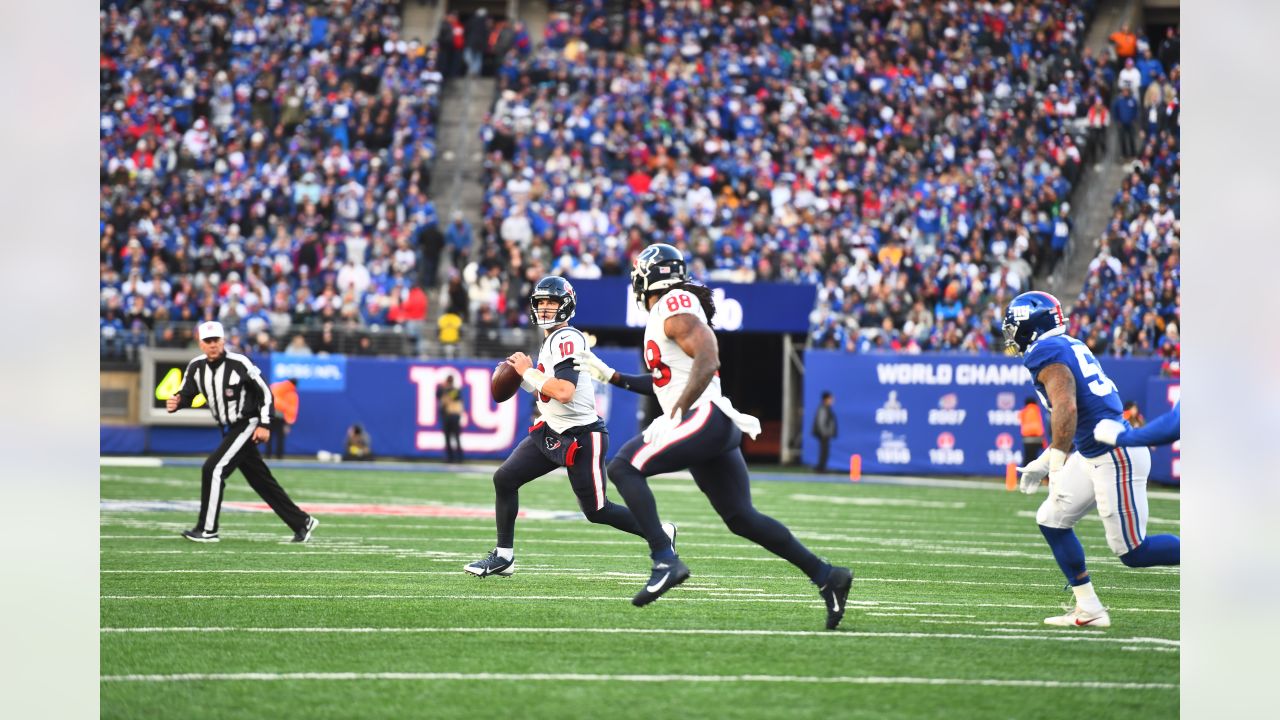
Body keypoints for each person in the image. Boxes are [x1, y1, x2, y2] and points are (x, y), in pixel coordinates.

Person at [573, 244, 853, 629]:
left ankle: (664, 558)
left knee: (623, 467)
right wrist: (610, 375)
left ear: (649, 278)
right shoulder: (669, 311)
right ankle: (828, 576)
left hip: (703, 417)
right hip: (714, 422)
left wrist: (683, 407)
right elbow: (664, 381)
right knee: (741, 517)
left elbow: (709, 354)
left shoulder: (672, 304)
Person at [464, 276, 674, 578]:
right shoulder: (553, 340)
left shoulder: (566, 338)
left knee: (598, 511)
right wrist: (524, 379)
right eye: (542, 303)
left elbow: (564, 391)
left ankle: (661, 532)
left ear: (566, 305)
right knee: (505, 479)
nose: (546, 308)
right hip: (553, 429)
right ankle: (503, 556)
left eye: (551, 302)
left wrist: (527, 371)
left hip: (581, 437)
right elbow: (548, 394)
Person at [1003, 292, 1179, 628]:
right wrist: (1044, 462)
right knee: (1051, 519)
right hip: (1094, 449)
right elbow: (1081, 416)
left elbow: (1067, 408)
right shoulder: (1066, 344)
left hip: (1115, 455)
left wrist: (1054, 467)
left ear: (1031, 325)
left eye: (1015, 327)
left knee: (1134, 552)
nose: (1011, 336)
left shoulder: (1046, 351)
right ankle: (1089, 608)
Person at [165, 321, 318, 543]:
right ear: (200, 343)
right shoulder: (196, 367)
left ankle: (207, 529)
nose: (212, 345)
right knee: (261, 480)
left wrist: (264, 424)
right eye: (208, 341)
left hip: (247, 424)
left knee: (213, 469)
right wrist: (178, 401)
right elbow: (188, 393)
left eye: (216, 340)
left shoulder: (240, 363)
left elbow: (266, 393)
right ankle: (301, 522)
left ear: (223, 341)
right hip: (228, 429)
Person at [1095, 400, 1180, 447]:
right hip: (1128, 445)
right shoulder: (1124, 417)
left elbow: (1172, 426)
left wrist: (1120, 438)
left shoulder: (1139, 418)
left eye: (1135, 408)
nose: (1135, 410)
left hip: (1137, 443)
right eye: (1133, 408)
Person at [267, 378, 299, 460]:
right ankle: (279, 457)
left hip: (269, 415)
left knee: (269, 436)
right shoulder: (292, 394)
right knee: (280, 438)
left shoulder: (275, 386)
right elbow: (291, 410)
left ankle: (268, 456)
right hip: (281, 418)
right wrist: (288, 424)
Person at [437, 374, 464, 462]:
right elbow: (437, 395)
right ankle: (454, 457)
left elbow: (453, 397)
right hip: (450, 416)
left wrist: (446, 390)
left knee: (452, 437)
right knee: (452, 437)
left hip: (451, 416)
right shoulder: (446, 390)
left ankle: (456, 457)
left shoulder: (453, 390)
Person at [811, 391, 837, 472]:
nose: (832, 400)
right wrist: (825, 433)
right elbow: (821, 422)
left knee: (825, 451)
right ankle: (821, 468)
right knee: (824, 451)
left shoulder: (826, 408)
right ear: (826, 399)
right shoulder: (823, 409)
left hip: (825, 434)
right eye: (830, 398)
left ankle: (821, 467)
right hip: (823, 434)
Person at [1019, 396, 1045, 466]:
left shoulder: (1024, 411)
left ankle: (1025, 475)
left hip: (1027, 439)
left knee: (1027, 459)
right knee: (1035, 458)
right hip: (1038, 439)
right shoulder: (1037, 410)